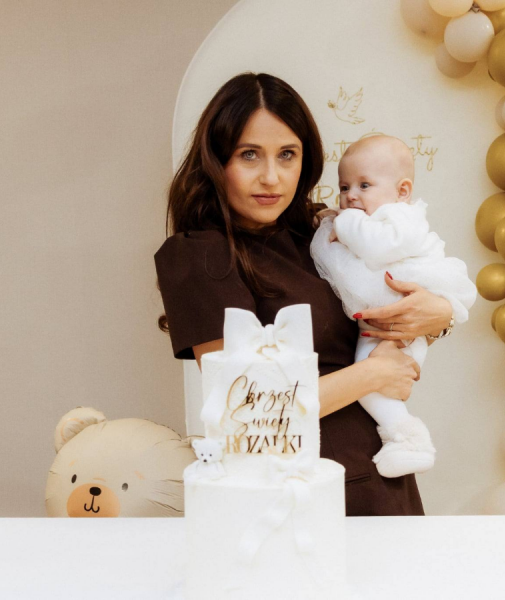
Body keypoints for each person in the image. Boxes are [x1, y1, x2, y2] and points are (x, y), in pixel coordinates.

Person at [153, 72, 453, 516]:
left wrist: (440, 314)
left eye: (287, 155)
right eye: (249, 154)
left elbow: (395, 291)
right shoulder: (199, 255)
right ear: (216, 160)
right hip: (295, 497)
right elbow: (246, 409)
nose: (271, 177)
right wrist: (372, 375)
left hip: (382, 476)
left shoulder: (321, 232)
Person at [310, 135, 476, 478]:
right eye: (344, 187)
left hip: (402, 319)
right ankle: (404, 437)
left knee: (371, 382)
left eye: (364, 185)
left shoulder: (401, 218)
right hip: (383, 324)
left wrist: (345, 223)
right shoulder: (364, 220)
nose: (351, 195)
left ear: (402, 191)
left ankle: (409, 438)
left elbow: (378, 247)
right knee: (370, 379)